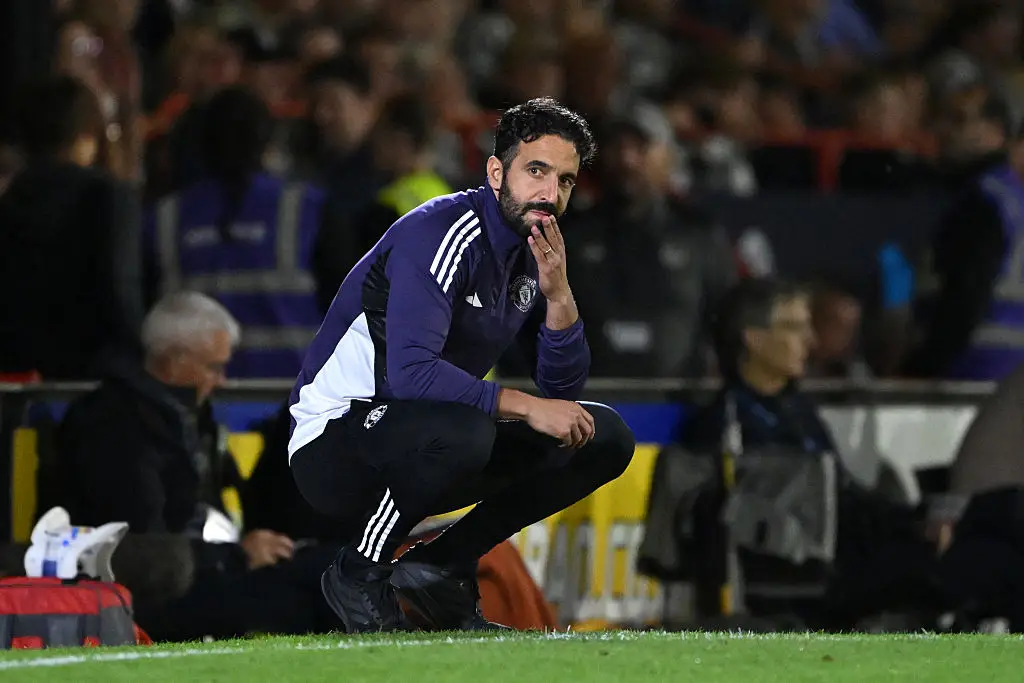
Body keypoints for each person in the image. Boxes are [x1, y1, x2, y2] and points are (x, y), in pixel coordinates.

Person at [287, 97, 637, 633]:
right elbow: (413, 374)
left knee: (601, 435)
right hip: (334, 441)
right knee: (467, 431)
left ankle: (442, 567)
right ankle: (358, 574)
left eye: (565, 180)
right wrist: (525, 407)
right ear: (496, 172)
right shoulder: (444, 232)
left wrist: (560, 297)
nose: (550, 193)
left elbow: (561, 394)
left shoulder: (532, 250)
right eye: (536, 171)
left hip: (429, 439)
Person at [56, 292, 340, 641]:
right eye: (213, 367)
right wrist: (234, 556)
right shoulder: (112, 425)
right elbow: (144, 545)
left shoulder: (186, 416)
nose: (221, 380)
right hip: (145, 593)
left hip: (202, 567)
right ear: (174, 360)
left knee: (325, 568)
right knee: (297, 598)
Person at [144, 86, 347, 379]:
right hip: (288, 394)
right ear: (267, 141)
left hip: (196, 395)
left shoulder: (165, 218)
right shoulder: (308, 210)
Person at [0, 75, 143, 379]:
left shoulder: (10, 199)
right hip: (94, 377)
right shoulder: (105, 196)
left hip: (17, 376)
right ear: (86, 133)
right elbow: (120, 291)